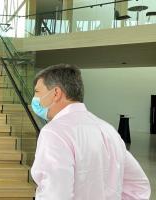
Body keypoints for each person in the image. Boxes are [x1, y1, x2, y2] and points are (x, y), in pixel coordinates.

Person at [30, 64, 151, 200]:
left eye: (37, 92)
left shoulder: (54, 133)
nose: (34, 98)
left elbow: (55, 194)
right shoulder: (108, 130)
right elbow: (139, 186)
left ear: (56, 93)